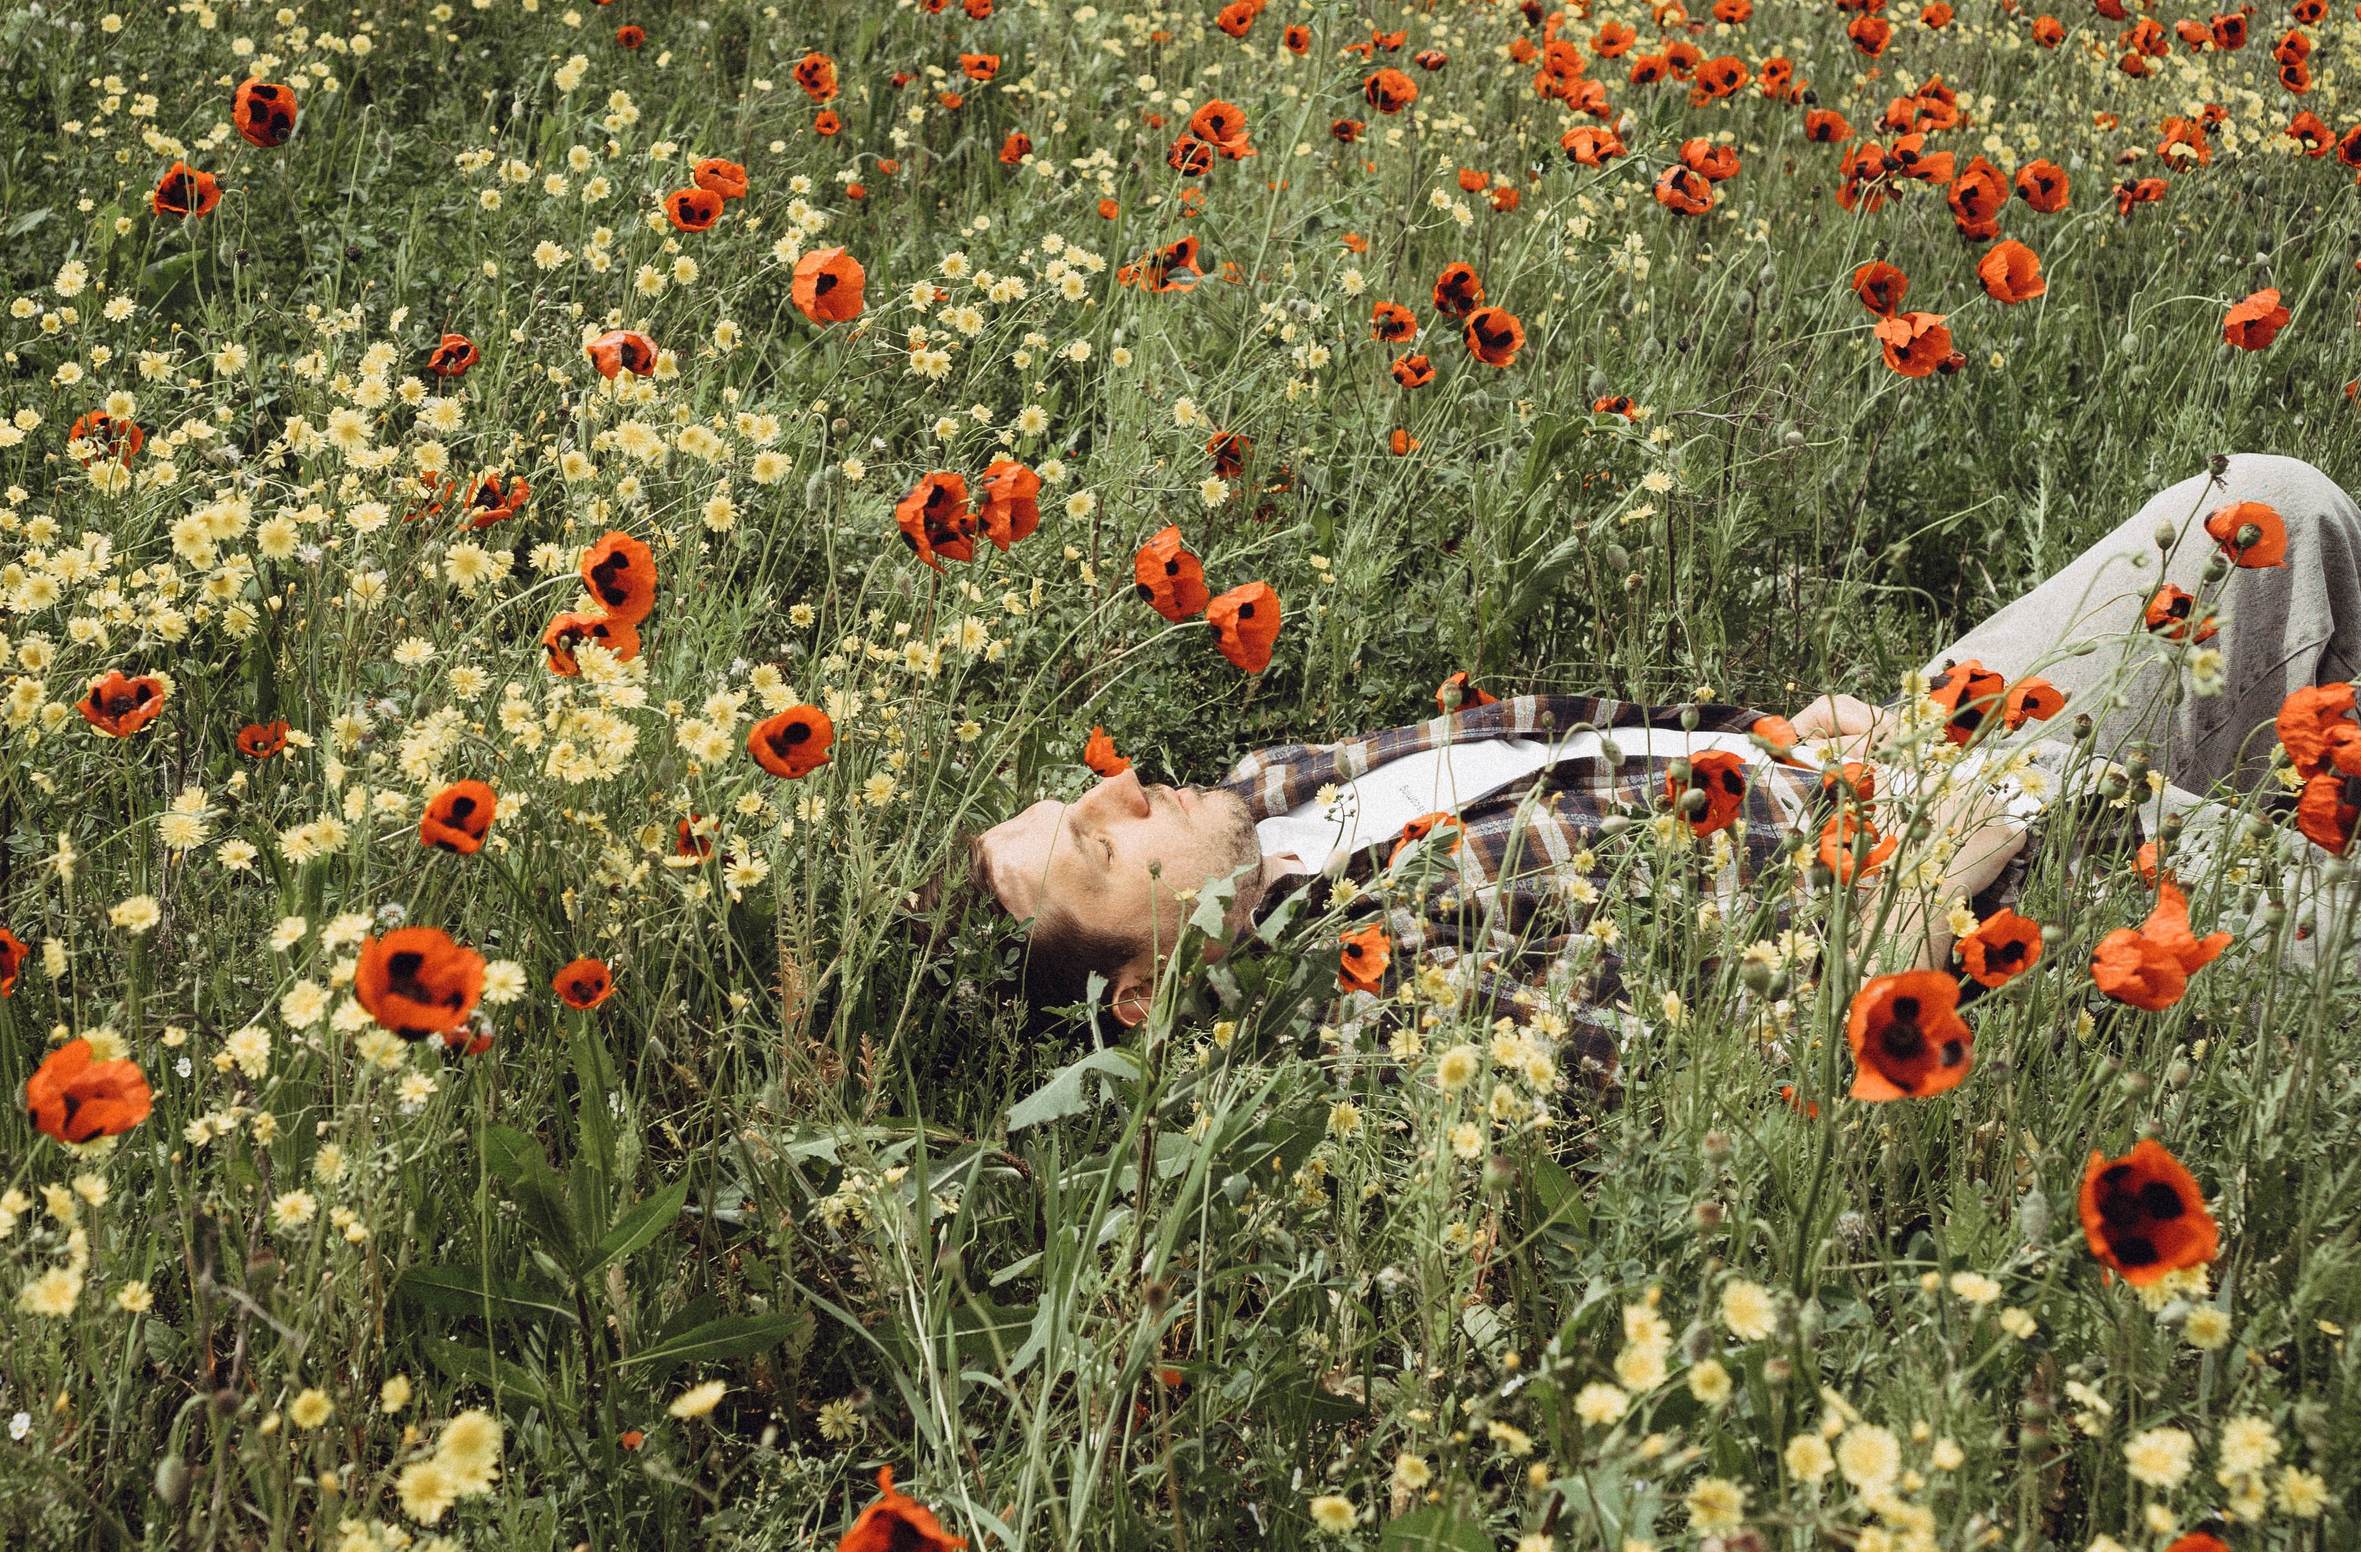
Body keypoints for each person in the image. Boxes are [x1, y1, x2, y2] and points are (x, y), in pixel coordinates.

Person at [964, 454, 2361, 1078]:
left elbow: (1572, 742)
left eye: (1075, 798)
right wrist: (1944, 851)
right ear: (1143, 996)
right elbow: (1730, 1061)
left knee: (2268, 513)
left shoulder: (1263, 796)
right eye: (1096, 846)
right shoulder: (1359, 1019)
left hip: (1881, 753)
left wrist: (1767, 738)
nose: (1118, 787)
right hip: (1973, 887)